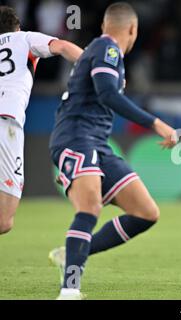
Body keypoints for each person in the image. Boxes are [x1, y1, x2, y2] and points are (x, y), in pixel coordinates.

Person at [47, 2, 177, 300]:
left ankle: (73, 253)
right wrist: (155, 123)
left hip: (92, 143)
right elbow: (107, 95)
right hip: (79, 139)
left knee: (146, 212)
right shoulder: (108, 50)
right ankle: (69, 290)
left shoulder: (98, 52)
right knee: (89, 209)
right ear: (132, 30)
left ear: (106, 25)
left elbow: (83, 99)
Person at [0, 5, 83, 235]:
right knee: (4, 221)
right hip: (6, 123)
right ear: (17, 26)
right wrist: (97, 66)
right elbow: (63, 46)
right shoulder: (24, 38)